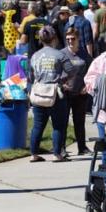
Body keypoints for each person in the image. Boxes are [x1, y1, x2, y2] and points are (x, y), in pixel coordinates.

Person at [28, 26, 75, 163]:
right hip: (56, 93)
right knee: (58, 125)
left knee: (37, 125)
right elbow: (71, 71)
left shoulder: (35, 56)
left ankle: (33, 154)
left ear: (41, 40)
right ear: (54, 38)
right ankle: (56, 154)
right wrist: (63, 80)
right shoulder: (60, 55)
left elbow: (30, 76)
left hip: (38, 93)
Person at [61, 27, 93, 156]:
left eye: (73, 39)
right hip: (65, 93)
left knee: (79, 121)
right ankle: (61, 148)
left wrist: (87, 86)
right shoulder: (61, 53)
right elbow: (56, 71)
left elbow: (92, 72)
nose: (70, 41)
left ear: (78, 39)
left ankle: (82, 147)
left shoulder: (84, 54)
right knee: (63, 121)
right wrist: (62, 84)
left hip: (80, 93)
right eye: (67, 39)